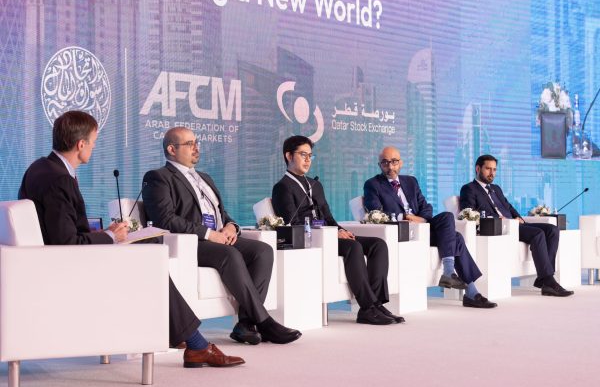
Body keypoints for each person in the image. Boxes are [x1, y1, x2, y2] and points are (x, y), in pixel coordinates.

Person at [19, 111, 244, 368]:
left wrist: (107, 234)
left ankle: (189, 340)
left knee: (146, 248)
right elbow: (67, 243)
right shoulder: (60, 179)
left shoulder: (41, 167)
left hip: (50, 260)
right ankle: (196, 345)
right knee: (148, 261)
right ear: (80, 144)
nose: (94, 147)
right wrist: (109, 236)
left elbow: (61, 230)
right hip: (66, 266)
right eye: (93, 142)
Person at [142, 127, 301, 345]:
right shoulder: (158, 177)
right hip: (192, 242)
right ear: (171, 149)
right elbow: (165, 219)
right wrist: (209, 234)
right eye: (189, 144)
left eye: (196, 142)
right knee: (230, 254)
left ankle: (245, 324)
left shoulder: (205, 178)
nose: (196, 147)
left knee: (262, 251)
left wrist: (231, 227)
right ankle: (264, 322)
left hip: (219, 237)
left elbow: (222, 214)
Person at [271, 135, 403, 325]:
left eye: (310, 155)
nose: (308, 160)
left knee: (378, 245)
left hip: (330, 235)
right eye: (303, 155)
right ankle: (367, 308)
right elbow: (294, 223)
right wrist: (334, 233)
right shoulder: (282, 187)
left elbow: (329, 218)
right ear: (289, 156)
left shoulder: (315, 185)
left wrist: (341, 230)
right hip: (312, 239)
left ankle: (376, 304)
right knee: (353, 247)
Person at [364, 146, 497, 308]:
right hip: (403, 231)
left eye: (394, 162)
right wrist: (405, 217)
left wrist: (419, 219)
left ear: (401, 163)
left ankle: (451, 274)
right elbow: (376, 212)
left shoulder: (410, 181)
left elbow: (426, 208)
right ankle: (468, 290)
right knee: (456, 237)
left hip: (422, 226)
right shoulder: (372, 184)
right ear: (379, 165)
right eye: (385, 163)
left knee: (447, 217)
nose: (390, 166)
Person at [459, 154, 574, 297]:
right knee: (538, 234)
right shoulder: (469, 189)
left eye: (494, 169)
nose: (492, 173)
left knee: (552, 229)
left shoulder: (496, 188)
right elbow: (469, 212)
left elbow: (508, 206)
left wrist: (518, 217)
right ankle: (548, 281)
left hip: (514, 224)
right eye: (488, 169)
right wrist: (498, 219)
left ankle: (545, 279)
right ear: (478, 169)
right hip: (500, 227)